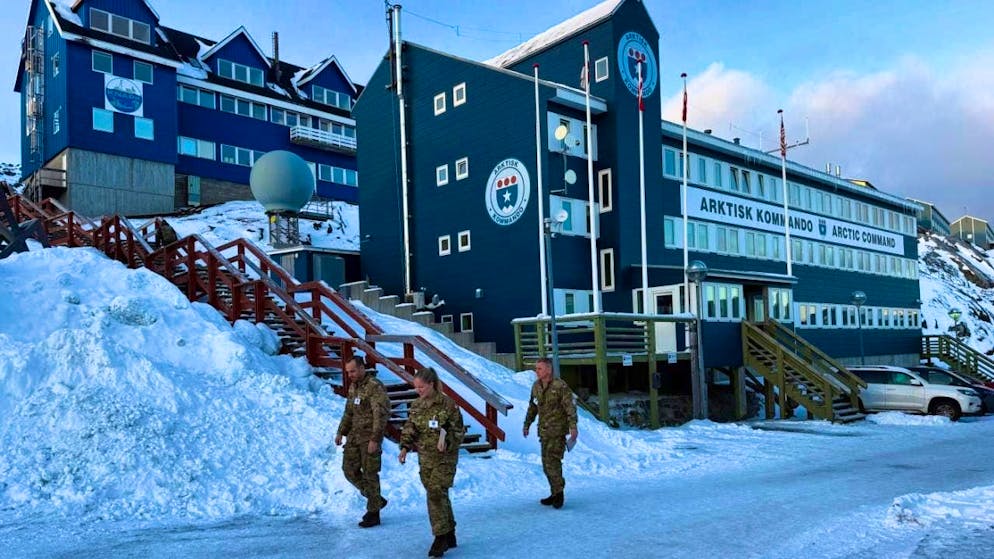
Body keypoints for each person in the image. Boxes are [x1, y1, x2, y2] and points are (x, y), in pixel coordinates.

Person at [399, 367, 464, 557]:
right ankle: (450, 532)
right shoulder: (417, 406)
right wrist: (404, 447)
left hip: (445, 458)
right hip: (425, 458)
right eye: (416, 388)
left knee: (435, 492)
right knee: (438, 494)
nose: (418, 391)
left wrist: (448, 440)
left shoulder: (447, 404)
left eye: (421, 387)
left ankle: (440, 537)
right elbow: (410, 428)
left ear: (431, 384)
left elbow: (459, 431)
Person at [335, 356, 390, 528]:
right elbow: (349, 413)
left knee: (370, 474)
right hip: (354, 437)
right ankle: (376, 499)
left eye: (352, 371)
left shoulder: (374, 387)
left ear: (361, 368)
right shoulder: (353, 387)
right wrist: (341, 432)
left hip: (369, 439)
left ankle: (373, 513)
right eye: (347, 372)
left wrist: (375, 439)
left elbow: (380, 415)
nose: (349, 375)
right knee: (349, 470)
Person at [523, 357, 578, 509]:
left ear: (548, 369)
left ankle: (559, 494)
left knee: (553, 462)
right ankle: (554, 492)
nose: (536, 371)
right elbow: (533, 407)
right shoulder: (536, 386)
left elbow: (570, 408)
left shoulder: (560, 386)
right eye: (536, 368)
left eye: (539, 368)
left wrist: (573, 427)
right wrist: (527, 424)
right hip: (544, 431)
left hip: (558, 431)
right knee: (546, 464)